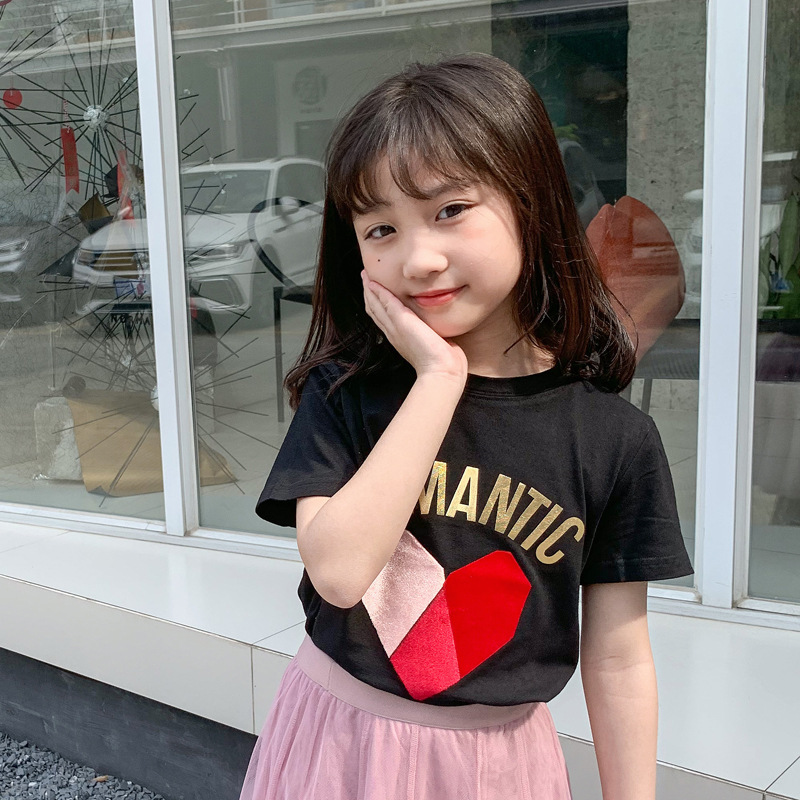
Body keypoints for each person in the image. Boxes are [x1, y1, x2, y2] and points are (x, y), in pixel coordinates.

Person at [239, 53, 693, 800]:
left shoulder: (612, 440)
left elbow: (617, 658)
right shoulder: (348, 391)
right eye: (381, 228)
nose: (418, 258)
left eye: (450, 209)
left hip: (500, 767)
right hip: (339, 745)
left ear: (531, 202)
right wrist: (438, 380)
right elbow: (340, 574)